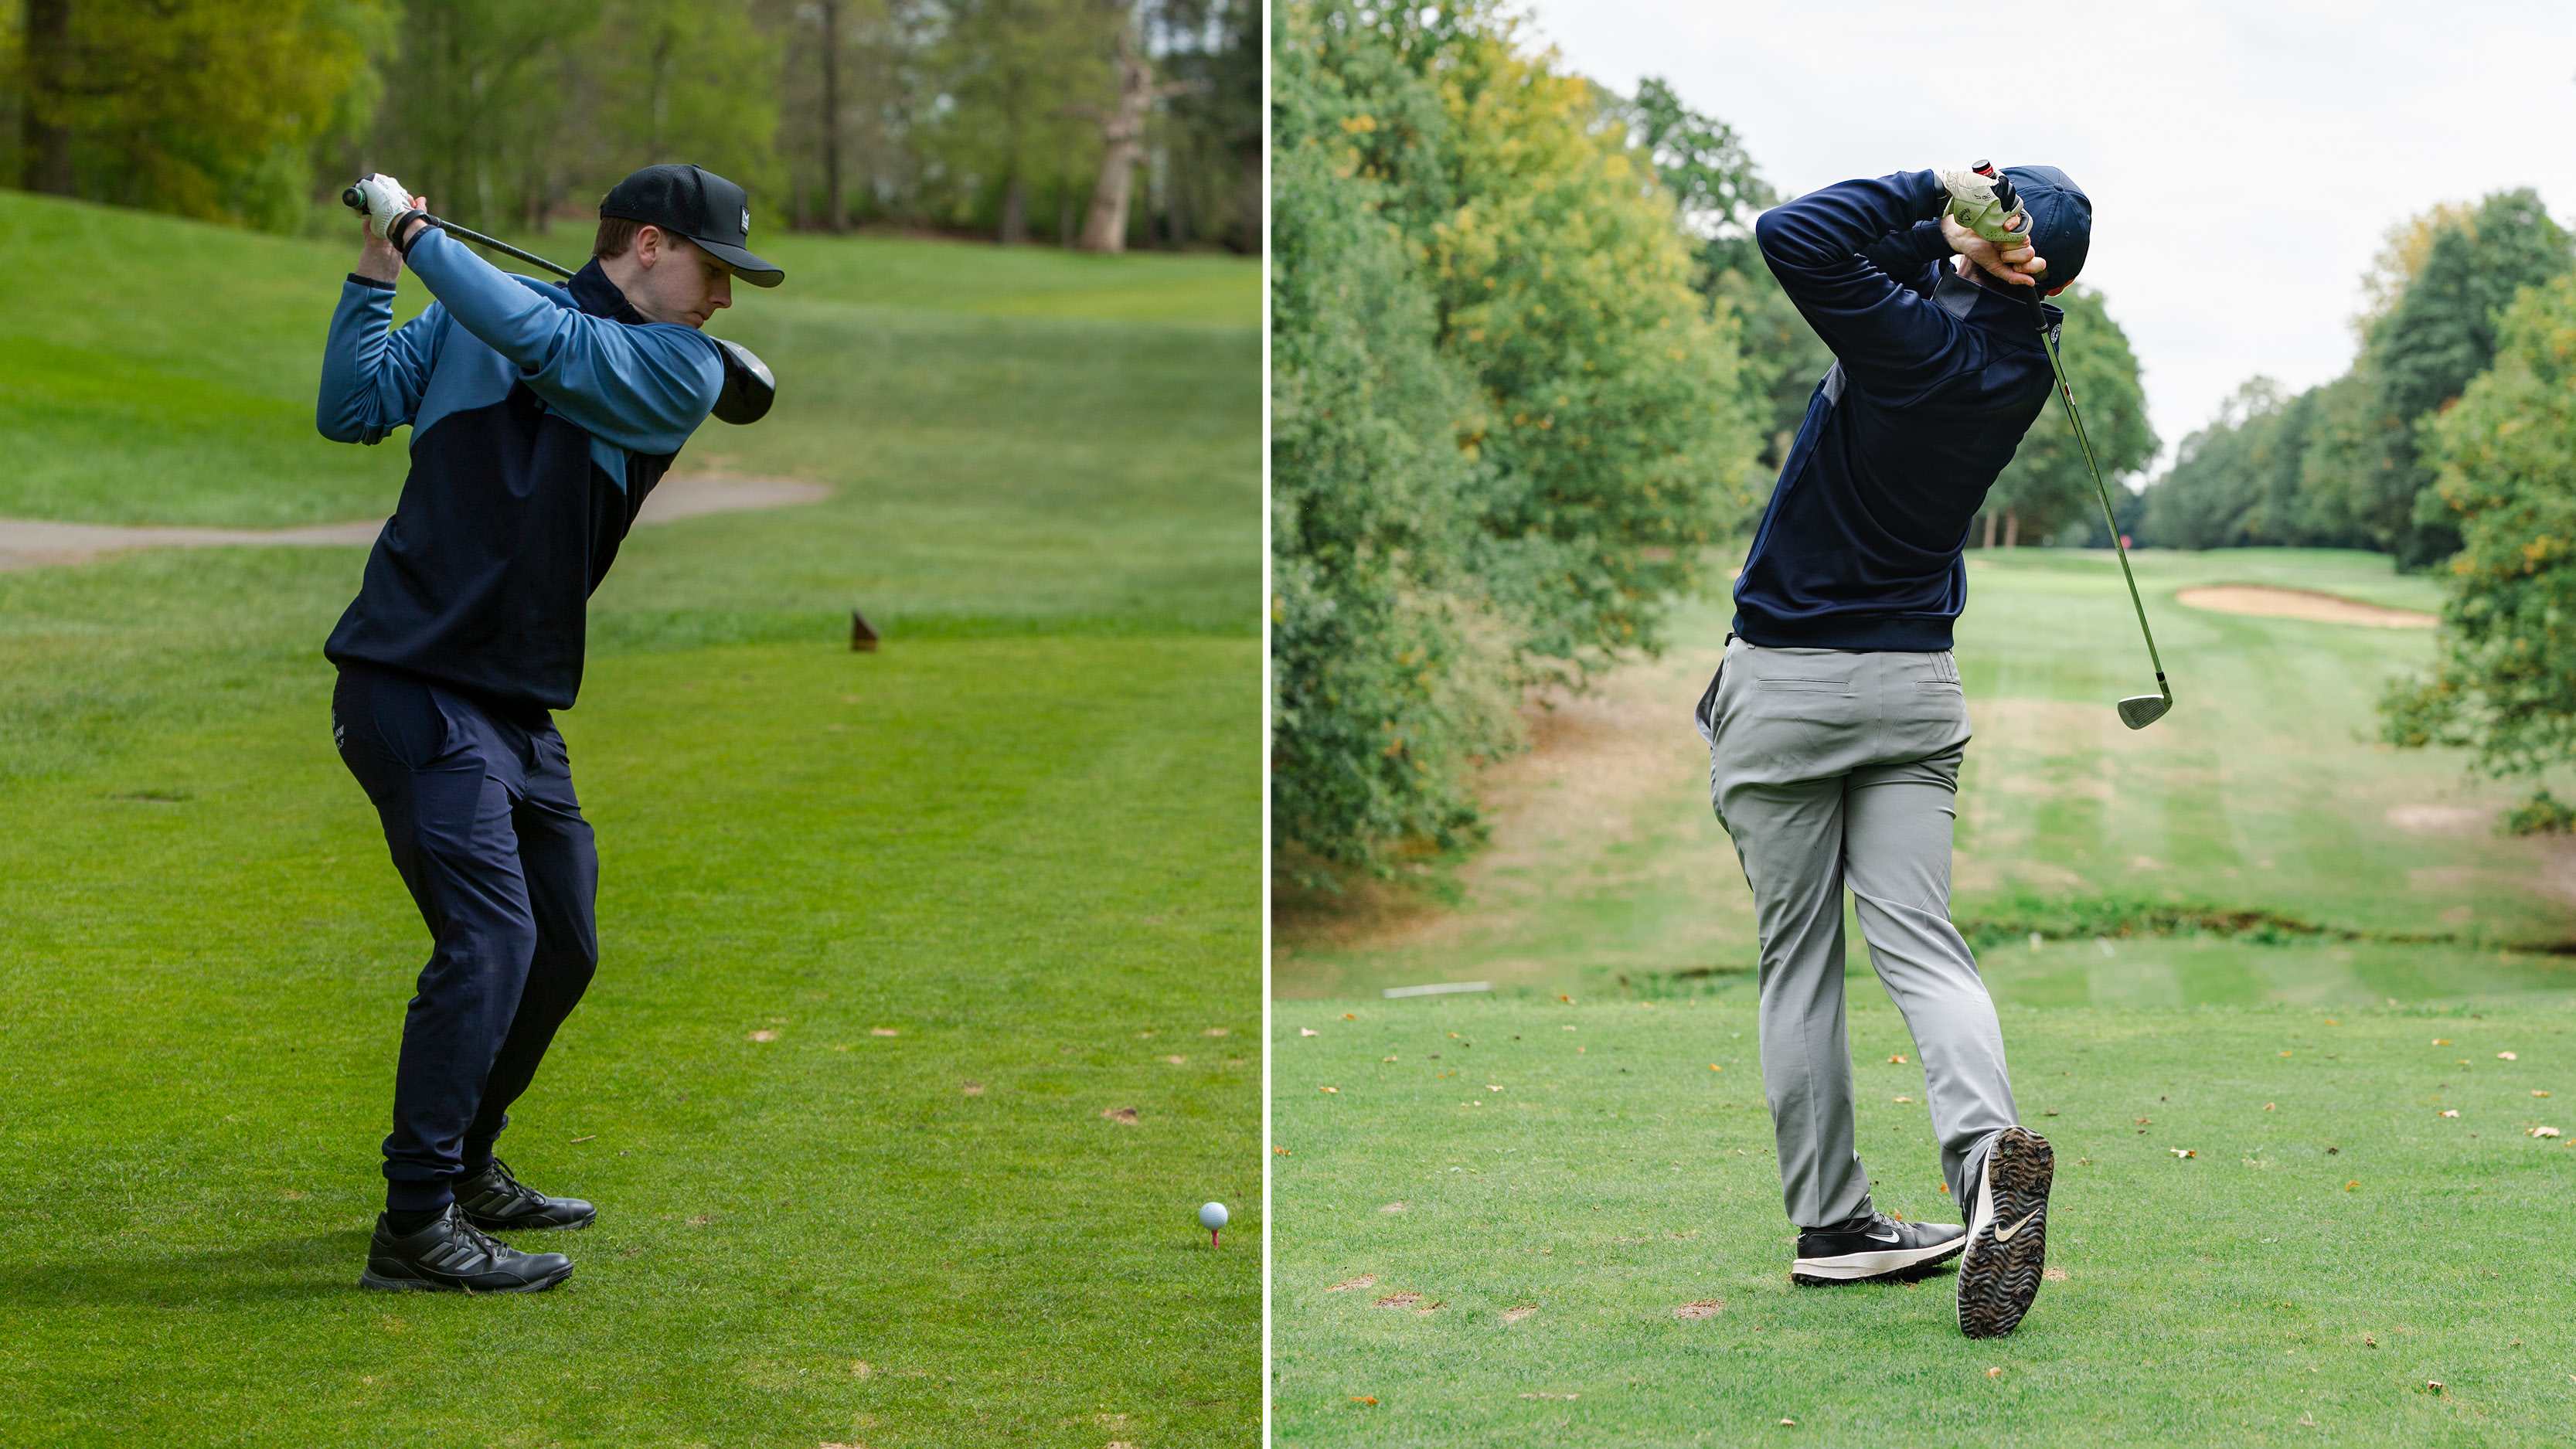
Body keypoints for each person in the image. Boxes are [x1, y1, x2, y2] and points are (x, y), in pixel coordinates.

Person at [318, 164, 783, 1293]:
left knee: (562, 943)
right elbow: (352, 407)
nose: (725, 302)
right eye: (716, 271)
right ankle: (416, 1223)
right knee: (489, 944)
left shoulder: (676, 369)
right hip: (409, 678)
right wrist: (382, 261)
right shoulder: (473, 319)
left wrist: (421, 234)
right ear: (653, 247)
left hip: (514, 702)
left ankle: (468, 1163)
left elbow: (551, 345)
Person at [1693, 164, 2089, 1338]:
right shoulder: (2017, 357)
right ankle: (1981, 1177)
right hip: (1914, 688)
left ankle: (1832, 1229)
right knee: (1921, 946)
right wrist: (1972, 240)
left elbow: (1792, 232)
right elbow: (1927, 271)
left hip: (1785, 683)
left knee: (1799, 966)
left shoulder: (1910, 336)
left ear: (1998, 247)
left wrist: (1927, 185)